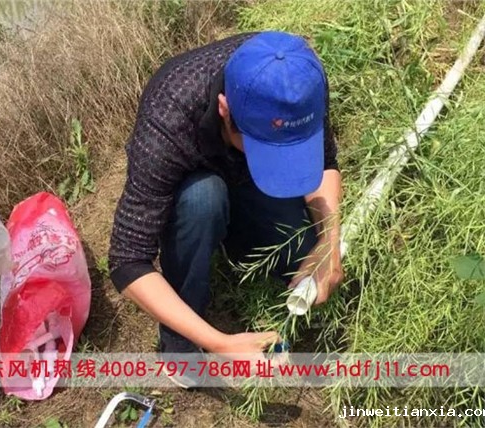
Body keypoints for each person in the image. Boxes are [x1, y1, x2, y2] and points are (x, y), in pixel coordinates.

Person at [108, 31, 344, 387]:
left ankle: (241, 242)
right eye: (264, 147)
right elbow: (127, 259)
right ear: (224, 110)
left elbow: (325, 162)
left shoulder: (299, 81)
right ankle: (179, 347)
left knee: (303, 257)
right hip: (195, 185)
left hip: (249, 178)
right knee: (203, 198)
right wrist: (219, 343)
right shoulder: (167, 118)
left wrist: (329, 242)